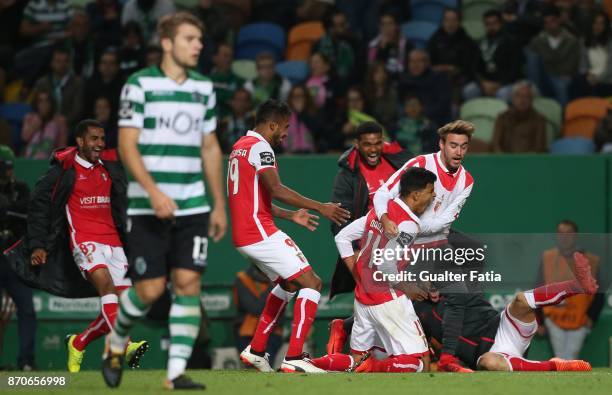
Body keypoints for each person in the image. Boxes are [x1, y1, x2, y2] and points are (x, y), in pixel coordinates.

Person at [103, 13, 227, 390]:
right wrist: (154, 191)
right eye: (190, 38)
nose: (198, 45)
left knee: (189, 283)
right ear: (168, 43)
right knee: (150, 291)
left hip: (192, 205)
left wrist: (217, 202)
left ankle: (174, 374)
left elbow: (209, 145)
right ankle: (115, 341)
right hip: (147, 205)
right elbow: (126, 144)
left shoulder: (205, 88)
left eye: (200, 39)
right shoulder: (138, 86)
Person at [229, 100, 351, 373]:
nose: (285, 134)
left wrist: (290, 216)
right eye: (284, 128)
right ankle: (294, 357)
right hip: (259, 232)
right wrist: (321, 207)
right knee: (313, 282)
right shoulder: (261, 147)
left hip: (245, 234)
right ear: (271, 125)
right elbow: (277, 188)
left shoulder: (239, 147)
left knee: (290, 284)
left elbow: (253, 199)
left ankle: (257, 349)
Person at [26, 119, 147, 372]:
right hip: (84, 241)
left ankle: (78, 343)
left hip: (113, 241)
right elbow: (39, 206)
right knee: (106, 287)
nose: (99, 144)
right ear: (80, 141)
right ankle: (126, 347)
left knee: (122, 304)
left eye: (102, 139)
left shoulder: (110, 170)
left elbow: (122, 207)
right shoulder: (63, 171)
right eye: (94, 139)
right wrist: (38, 244)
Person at [370, 121, 477, 373]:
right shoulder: (420, 164)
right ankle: (351, 330)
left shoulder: (467, 181)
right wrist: (387, 219)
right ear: (441, 144)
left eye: (463, 147)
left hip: (430, 242)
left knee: (459, 291)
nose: (458, 152)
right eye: (453, 145)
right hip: (398, 238)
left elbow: (444, 222)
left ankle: (448, 360)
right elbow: (383, 194)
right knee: (393, 299)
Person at [313, 168, 437, 373]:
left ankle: (308, 363)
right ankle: (375, 367)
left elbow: (342, 237)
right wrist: (407, 287)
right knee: (422, 363)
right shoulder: (409, 224)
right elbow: (386, 264)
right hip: (389, 298)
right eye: (430, 190)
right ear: (416, 194)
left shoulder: (381, 211)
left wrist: (357, 274)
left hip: (363, 297)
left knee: (357, 361)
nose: (433, 195)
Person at [412, 251, 596, 372]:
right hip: (489, 354)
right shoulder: (418, 312)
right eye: (424, 279)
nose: (430, 283)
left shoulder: (460, 287)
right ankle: (555, 365)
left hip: (504, 327)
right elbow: (429, 351)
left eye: (433, 277)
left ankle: (576, 285)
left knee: (521, 300)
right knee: (489, 362)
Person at [538, 220, 603, 360]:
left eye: (569, 233)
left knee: (572, 355)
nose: (565, 237)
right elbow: (537, 290)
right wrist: (540, 321)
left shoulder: (590, 260)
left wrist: (591, 317)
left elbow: (599, 293)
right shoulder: (547, 257)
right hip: (553, 316)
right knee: (561, 356)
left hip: (580, 317)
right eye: (561, 233)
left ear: (576, 236)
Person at [0, 145, 36, 371]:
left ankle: (26, 362)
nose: (10, 172)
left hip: (13, 258)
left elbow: (28, 212)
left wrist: (8, 210)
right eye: (6, 168)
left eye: (11, 167)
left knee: (27, 309)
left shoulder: (20, 188)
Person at [463, 9, 523, 102]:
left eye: (494, 23)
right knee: (469, 90)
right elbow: (474, 68)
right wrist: (483, 83)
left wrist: (498, 85)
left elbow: (515, 71)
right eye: (487, 24)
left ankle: (502, 116)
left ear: (501, 23)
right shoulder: (480, 43)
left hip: (507, 83)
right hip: (485, 83)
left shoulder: (512, 42)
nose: (491, 26)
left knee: (502, 93)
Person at [526, 6, 580, 106]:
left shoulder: (571, 40)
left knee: (561, 85)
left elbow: (571, 66)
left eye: (552, 21)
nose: (550, 25)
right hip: (543, 75)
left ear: (559, 20)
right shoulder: (538, 40)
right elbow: (534, 65)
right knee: (532, 56)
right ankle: (534, 106)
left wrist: (550, 64)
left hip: (562, 75)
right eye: (546, 22)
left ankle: (563, 117)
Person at [233, 265, 284, 366]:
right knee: (250, 368)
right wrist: (272, 288)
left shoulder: (281, 280)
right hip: (246, 333)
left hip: (272, 333)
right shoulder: (243, 278)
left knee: (266, 366)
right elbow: (254, 308)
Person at [427, 9, 479, 94]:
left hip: (461, 80)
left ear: (459, 22)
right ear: (442, 22)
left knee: (470, 90)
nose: (450, 24)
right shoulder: (434, 39)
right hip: (437, 77)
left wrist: (453, 70)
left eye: (454, 20)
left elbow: (469, 67)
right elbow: (428, 61)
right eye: (447, 20)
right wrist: (441, 68)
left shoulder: (468, 42)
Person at [33, 47, 84, 130]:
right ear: (52, 63)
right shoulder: (42, 83)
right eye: (58, 61)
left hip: (69, 126)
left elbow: (77, 111)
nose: (62, 64)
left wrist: (61, 123)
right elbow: (35, 106)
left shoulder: (78, 83)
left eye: (65, 61)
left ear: (70, 63)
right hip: (44, 125)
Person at [399, 49, 452, 129]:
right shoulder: (404, 80)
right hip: (408, 120)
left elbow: (443, 104)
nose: (415, 65)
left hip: (433, 121)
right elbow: (401, 103)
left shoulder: (439, 79)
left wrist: (422, 114)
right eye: (412, 61)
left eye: (419, 61)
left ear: (427, 63)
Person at [492, 81, 547, 153]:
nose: (522, 100)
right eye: (519, 96)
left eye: (527, 97)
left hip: (529, 161)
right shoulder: (502, 117)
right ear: (513, 98)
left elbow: (539, 148)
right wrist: (502, 158)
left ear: (532, 100)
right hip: (505, 160)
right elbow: (495, 145)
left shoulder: (539, 119)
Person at [571, 11, 612, 98]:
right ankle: (576, 109)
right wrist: (587, 75)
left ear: (605, 26)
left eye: (601, 24)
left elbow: (610, 68)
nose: (598, 26)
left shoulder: (610, 42)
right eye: (595, 23)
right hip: (591, 77)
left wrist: (598, 79)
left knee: (593, 90)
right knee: (577, 80)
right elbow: (583, 64)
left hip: (607, 79)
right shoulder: (584, 40)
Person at [21, 88, 68, 159]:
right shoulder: (29, 118)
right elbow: (25, 138)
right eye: (40, 101)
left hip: (49, 163)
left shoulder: (60, 121)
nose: (44, 104)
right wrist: (36, 124)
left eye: (47, 101)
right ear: (36, 104)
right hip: (30, 161)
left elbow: (62, 148)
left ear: (52, 103)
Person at [368, 13, 411, 79]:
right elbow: (372, 68)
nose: (387, 28)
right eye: (383, 24)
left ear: (397, 26)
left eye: (390, 24)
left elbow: (407, 70)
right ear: (379, 27)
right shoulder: (373, 46)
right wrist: (382, 49)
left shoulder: (407, 45)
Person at [209, 43, 244, 119]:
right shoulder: (205, 80)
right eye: (225, 56)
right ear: (214, 57)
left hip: (231, 124)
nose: (229, 59)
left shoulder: (240, 81)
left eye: (231, 56)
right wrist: (227, 100)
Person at [217, 87, 255, 153]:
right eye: (238, 100)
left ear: (249, 103)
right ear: (232, 102)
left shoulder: (255, 123)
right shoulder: (223, 124)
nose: (241, 103)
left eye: (244, 100)